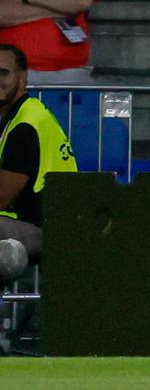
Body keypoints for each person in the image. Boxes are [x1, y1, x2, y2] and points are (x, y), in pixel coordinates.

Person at [0, 44, 78, 284]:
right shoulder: (21, 115)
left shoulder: (25, 125)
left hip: (46, 228)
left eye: (3, 72)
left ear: (23, 77)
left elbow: (3, 197)